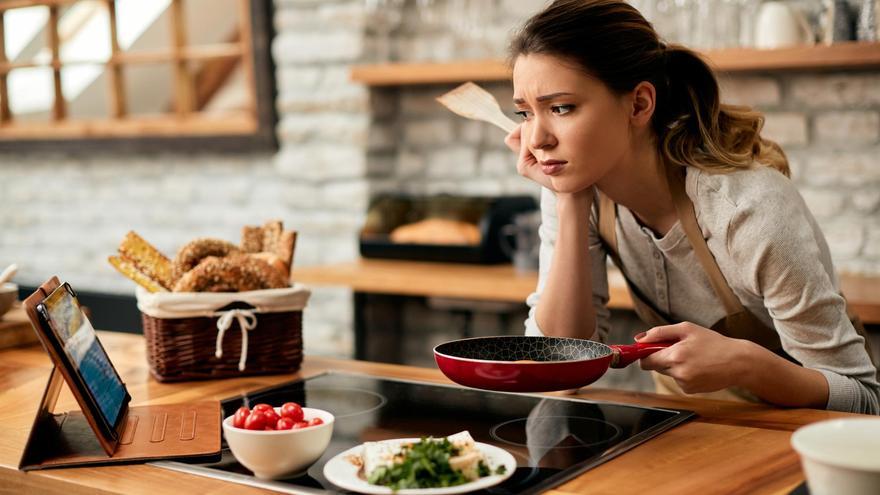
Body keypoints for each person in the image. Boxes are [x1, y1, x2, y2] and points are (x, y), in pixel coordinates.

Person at [506, 0, 879, 414]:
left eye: (561, 108)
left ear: (639, 104)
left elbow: (863, 400)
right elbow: (557, 366)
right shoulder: (573, 183)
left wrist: (745, 364)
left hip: (793, 433)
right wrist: (570, 203)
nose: (536, 138)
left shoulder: (748, 210)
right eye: (524, 113)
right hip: (686, 426)